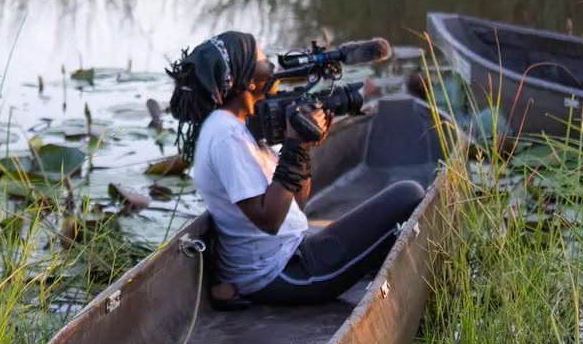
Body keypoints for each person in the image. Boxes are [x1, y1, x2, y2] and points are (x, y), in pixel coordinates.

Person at [167, 31, 425, 306]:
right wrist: (295, 145)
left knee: (394, 211)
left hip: (293, 246)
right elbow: (269, 220)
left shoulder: (246, 124)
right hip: (281, 271)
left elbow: (298, 200)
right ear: (245, 78)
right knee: (408, 195)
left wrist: (304, 146)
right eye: (263, 58)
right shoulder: (225, 134)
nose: (272, 66)